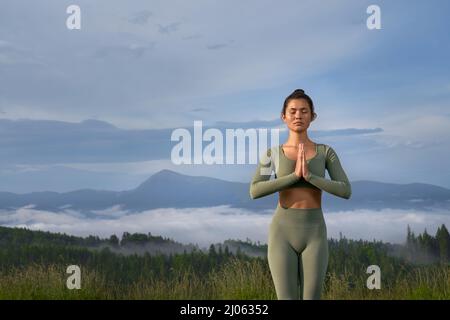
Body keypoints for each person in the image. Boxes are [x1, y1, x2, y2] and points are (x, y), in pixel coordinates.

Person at [249, 89, 352, 300]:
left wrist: (311, 177)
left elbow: (345, 189)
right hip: (282, 233)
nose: (298, 116)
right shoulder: (272, 154)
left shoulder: (325, 152)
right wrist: (294, 176)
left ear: (312, 116)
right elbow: (255, 190)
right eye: (293, 111)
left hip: (314, 232)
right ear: (283, 116)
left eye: (304, 111)